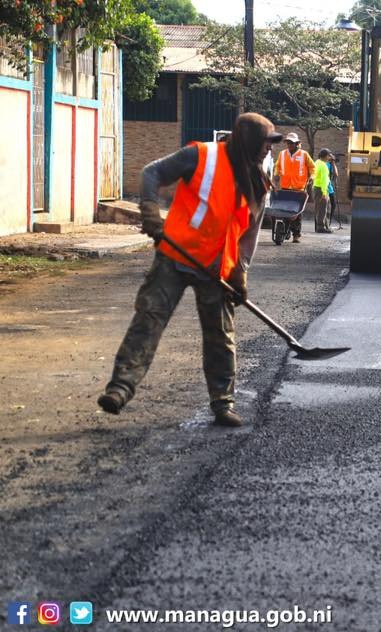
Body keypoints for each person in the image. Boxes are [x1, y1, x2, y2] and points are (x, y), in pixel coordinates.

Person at [97, 113, 283, 427]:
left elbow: (249, 233)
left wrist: (241, 273)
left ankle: (223, 404)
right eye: (266, 142)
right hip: (175, 256)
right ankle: (120, 388)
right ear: (249, 140)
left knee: (221, 337)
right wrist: (150, 212)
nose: (268, 149)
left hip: (215, 268)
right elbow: (151, 173)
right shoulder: (201, 155)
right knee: (149, 319)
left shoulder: (257, 181)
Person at [273, 132, 315, 243]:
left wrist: (311, 177)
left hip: (299, 188)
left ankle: (296, 235)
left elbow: (312, 167)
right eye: (288, 143)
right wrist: (276, 174)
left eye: (292, 143)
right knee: (285, 210)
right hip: (285, 187)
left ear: (297, 144)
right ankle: (285, 231)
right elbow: (277, 166)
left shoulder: (304, 154)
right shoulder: (282, 154)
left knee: (297, 212)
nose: (290, 145)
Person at [312, 148, 333, 233]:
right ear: (325, 156)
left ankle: (324, 226)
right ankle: (321, 227)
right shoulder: (323, 166)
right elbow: (324, 180)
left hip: (316, 188)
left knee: (321, 208)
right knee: (323, 209)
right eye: (329, 155)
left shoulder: (317, 162)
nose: (330, 157)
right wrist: (324, 192)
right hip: (321, 189)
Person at [325, 154, 340, 229]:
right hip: (325, 188)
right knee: (326, 206)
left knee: (333, 204)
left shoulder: (331, 165)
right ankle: (325, 223)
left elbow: (336, 174)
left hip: (330, 188)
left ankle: (329, 222)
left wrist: (333, 164)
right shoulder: (326, 165)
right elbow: (335, 174)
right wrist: (333, 164)